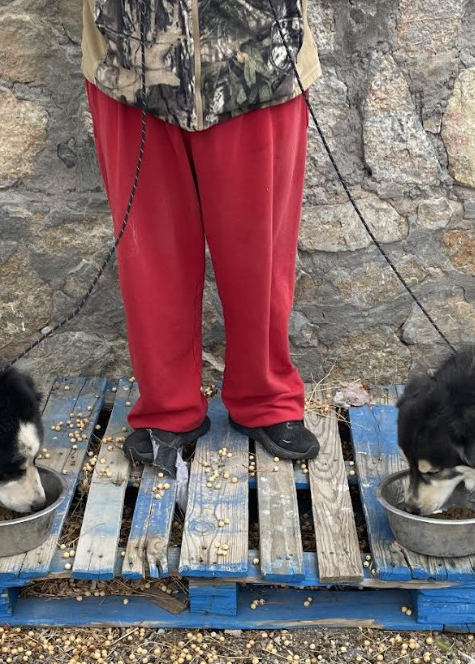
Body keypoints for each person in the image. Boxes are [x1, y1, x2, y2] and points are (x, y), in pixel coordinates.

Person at [80, 1, 322, 465]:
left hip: (259, 57)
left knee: (261, 256)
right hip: (129, 59)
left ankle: (265, 399)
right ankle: (166, 407)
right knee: (150, 257)